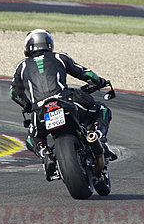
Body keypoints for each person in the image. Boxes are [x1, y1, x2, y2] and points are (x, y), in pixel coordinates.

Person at [10, 29, 116, 179]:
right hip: (66, 102)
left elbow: (14, 94)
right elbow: (85, 73)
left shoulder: (21, 67)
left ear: (27, 47)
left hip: (40, 112)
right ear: (49, 44)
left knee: (32, 138)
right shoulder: (59, 57)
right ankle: (98, 136)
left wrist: (28, 106)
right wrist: (100, 81)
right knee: (102, 110)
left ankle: (44, 153)